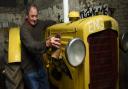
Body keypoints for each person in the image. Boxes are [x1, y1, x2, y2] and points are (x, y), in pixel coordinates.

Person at [20, 3, 61, 89]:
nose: (35, 19)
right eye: (32, 16)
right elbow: (32, 46)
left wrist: (58, 23)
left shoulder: (39, 23)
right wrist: (46, 43)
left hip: (41, 67)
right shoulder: (24, 29)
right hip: (30, 70)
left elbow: (49, 22)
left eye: (36, 16)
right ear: (27, 16)